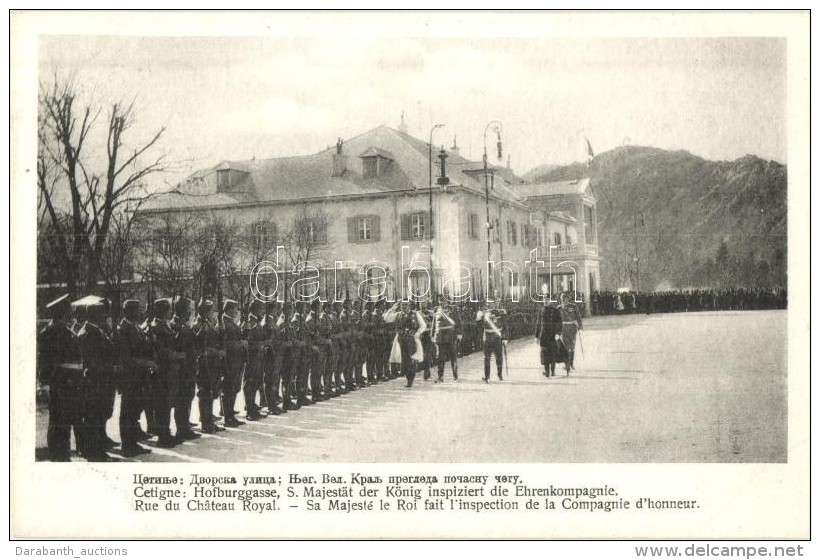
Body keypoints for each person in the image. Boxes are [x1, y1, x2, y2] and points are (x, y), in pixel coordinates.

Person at [38, 294, 84, 461]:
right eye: (67, 310)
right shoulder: (50, 332)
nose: (70, 314)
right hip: (60, 384)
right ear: (61, 312)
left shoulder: (65, 329)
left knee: (65, 422)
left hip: (70, 384)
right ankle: (58, 458)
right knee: (58, 422)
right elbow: (45, 361)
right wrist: (44, 385)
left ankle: (63, 456)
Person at [74, 296, 117, 460]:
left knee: (99, 417)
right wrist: (111, 368)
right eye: (102, 314)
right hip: (93, 384)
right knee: (93, 418)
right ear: (94, 316)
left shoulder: (97, 330)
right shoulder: (86, 333)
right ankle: (95, 453)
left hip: (101, 382)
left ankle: (98, 450)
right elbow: (92, 363)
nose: (105, 316)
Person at [117, 300, 156, 457]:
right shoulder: (124, 329)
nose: (140, 313)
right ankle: (127, 446)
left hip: (139, 376)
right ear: (129, 312)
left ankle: (133, 442)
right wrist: (146, 362)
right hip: (130, 377)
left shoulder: (134, 326)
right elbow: (126, 358)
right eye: (137, 310)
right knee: (128, 411)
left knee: (134, 411)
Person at [169, 297, 201, 442]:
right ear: (181, 310)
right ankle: (181, 429)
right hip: (181, 370)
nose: (190, 313)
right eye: (188, 310)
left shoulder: (183, 324)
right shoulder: (175, 325)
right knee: (182, 399)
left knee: (188, 397)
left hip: (189, 368)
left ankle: (185, 425)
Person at [192, 298, 225, 434]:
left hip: (212, 363)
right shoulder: (199, 324)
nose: (213, 312)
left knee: (211, 392)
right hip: (204, 364)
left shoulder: (209, 323)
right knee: (205, 392)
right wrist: (217, 352)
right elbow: (201, 347)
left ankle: (208, 419)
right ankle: (206, 423)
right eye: (210, 310)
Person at [384, 300, 419, 387]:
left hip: (411, 339)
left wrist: (417, 334)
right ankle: (408, 378)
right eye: (402, 305)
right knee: (404, 360)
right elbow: (387, 318)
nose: (404, 307)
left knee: (412, 359)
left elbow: (422, 325)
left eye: (406, 305)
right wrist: (393, 307)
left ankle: (410, 379)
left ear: (410, 306)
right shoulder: (398, 314)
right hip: (401, 339)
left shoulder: (415, 314)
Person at [431, 300, 461, 382]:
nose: (443, 303)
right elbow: (434, 324)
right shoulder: (437, 311)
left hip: (451, 336)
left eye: (444, 301)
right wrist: (432, 335)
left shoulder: (453, 310)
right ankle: (440, 376)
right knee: (441, 358)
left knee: (453, 357)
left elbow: (458, 322)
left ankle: (455, 375)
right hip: (441, 338)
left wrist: (459, 333)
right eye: (441, 302)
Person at [479, 301, 507, 383]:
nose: (492, 305)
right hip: (487, 339)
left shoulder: (501, 313)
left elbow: (505, 326)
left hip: (497, 339)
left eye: (494, 303)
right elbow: (479, 325)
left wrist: (505, 338)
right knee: (487, 359)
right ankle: (487, 377)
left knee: (499, 358)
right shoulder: (484, 314)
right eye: (490, 303)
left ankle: (499, 375)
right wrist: (479, 317)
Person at [535, 296, 563, 377]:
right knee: (544, 354)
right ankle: (547, 372)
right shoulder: (541, 310)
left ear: (550, 301)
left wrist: (558, 333)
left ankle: (553, 371)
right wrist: (536, 336)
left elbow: (559, 323)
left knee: (553, 353)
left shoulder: (555, 310)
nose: (545, 301)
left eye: (547, 300)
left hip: (552, 335)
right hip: (543, 335)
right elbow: (538, 324)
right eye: (544, 300)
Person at [558, 292, 583, 371]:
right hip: (563, 328)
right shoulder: (559, 308)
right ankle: (567, 364)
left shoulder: (573, 306)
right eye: (562, 299)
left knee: (572, 346)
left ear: (568, 299)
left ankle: (571, 364)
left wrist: (580, 326)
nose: (564, 301)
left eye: (565, 299)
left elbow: (578, 317)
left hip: (572, 328)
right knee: (565, 346)